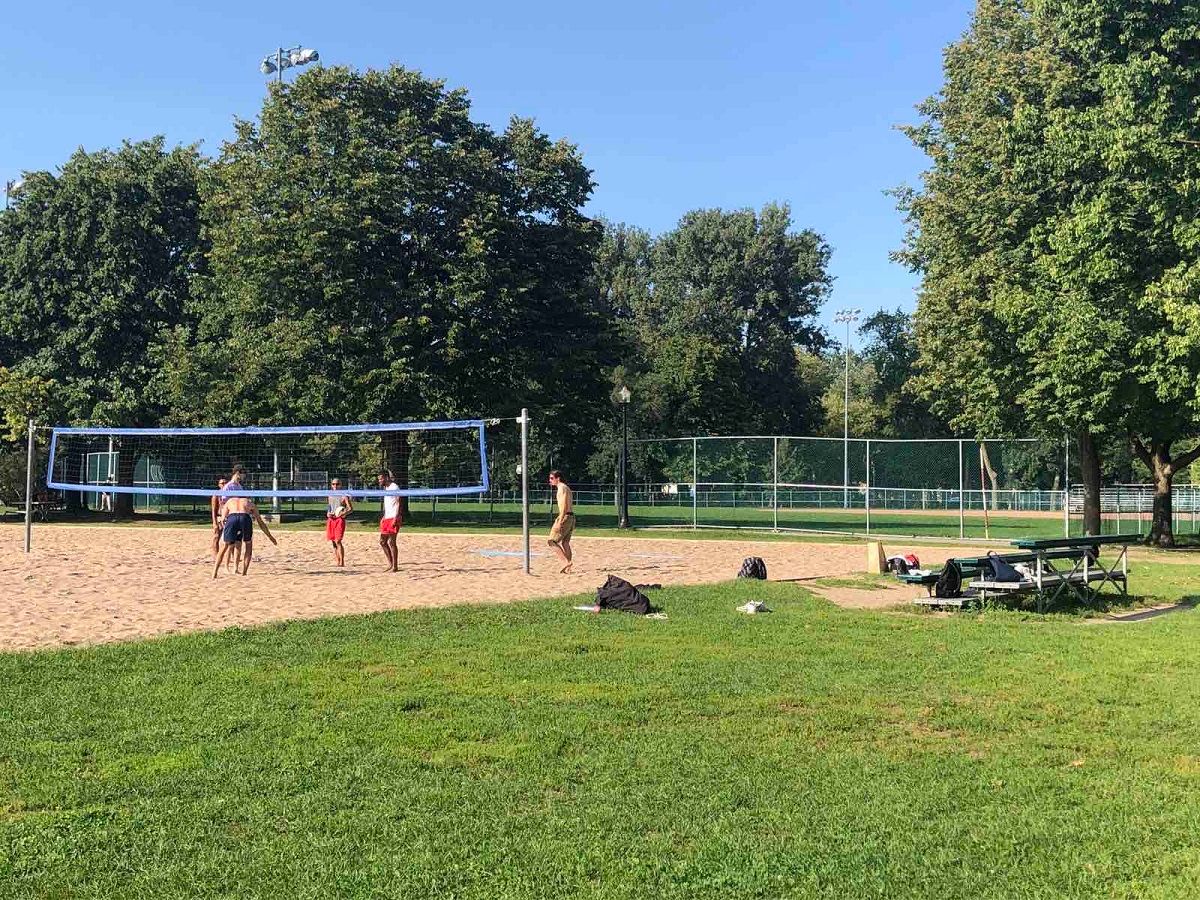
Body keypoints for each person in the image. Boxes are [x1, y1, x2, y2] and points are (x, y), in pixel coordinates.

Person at [213, 466, 277, 577]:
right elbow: (223, 503)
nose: (244, 477)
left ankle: (230, 569)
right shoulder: (228, 487)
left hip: (233, 515)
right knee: (234, 545)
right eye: (243, 474)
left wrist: (224, 517)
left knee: (235, 544)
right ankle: (229, 568)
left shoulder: (239, 487)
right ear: (237, 473)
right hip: (235, 515)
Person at [547, 470, 576, 574]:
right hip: (571, 517)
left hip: (565, 517)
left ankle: (565, 562)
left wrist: (560, 520)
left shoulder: (562, 488)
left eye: (551, 478)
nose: (550, 481)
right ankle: (568, 568)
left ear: (557, 478)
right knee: (565, 543)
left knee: (551, 541)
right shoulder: (566, 487)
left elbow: (563, 506)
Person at [377, 469, 401, 572]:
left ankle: (395, 566)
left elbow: (399, 502)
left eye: (381, 479)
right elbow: (388, 505)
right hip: (387, 517)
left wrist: (396, 516)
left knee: (392, 542)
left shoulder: (394, 487)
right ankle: (390, 563)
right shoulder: (385, 489)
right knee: (382, 541)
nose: (379, 481)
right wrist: (384, 516)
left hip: (394, 517)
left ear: (386, 477)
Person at [326, 477, 353, 567]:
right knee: (333, 542)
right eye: (333, 484)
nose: (335, 486)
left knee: (338, 541)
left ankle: (342, 562)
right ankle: (338, 561)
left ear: (341, 485)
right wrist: (328, 513)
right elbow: (329, 507)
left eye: (337, 484)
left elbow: (350, 509)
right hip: (331, 519)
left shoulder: (344, 495)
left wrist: (344, 513)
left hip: (339, 520)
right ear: (331, 485)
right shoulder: (329, 495)